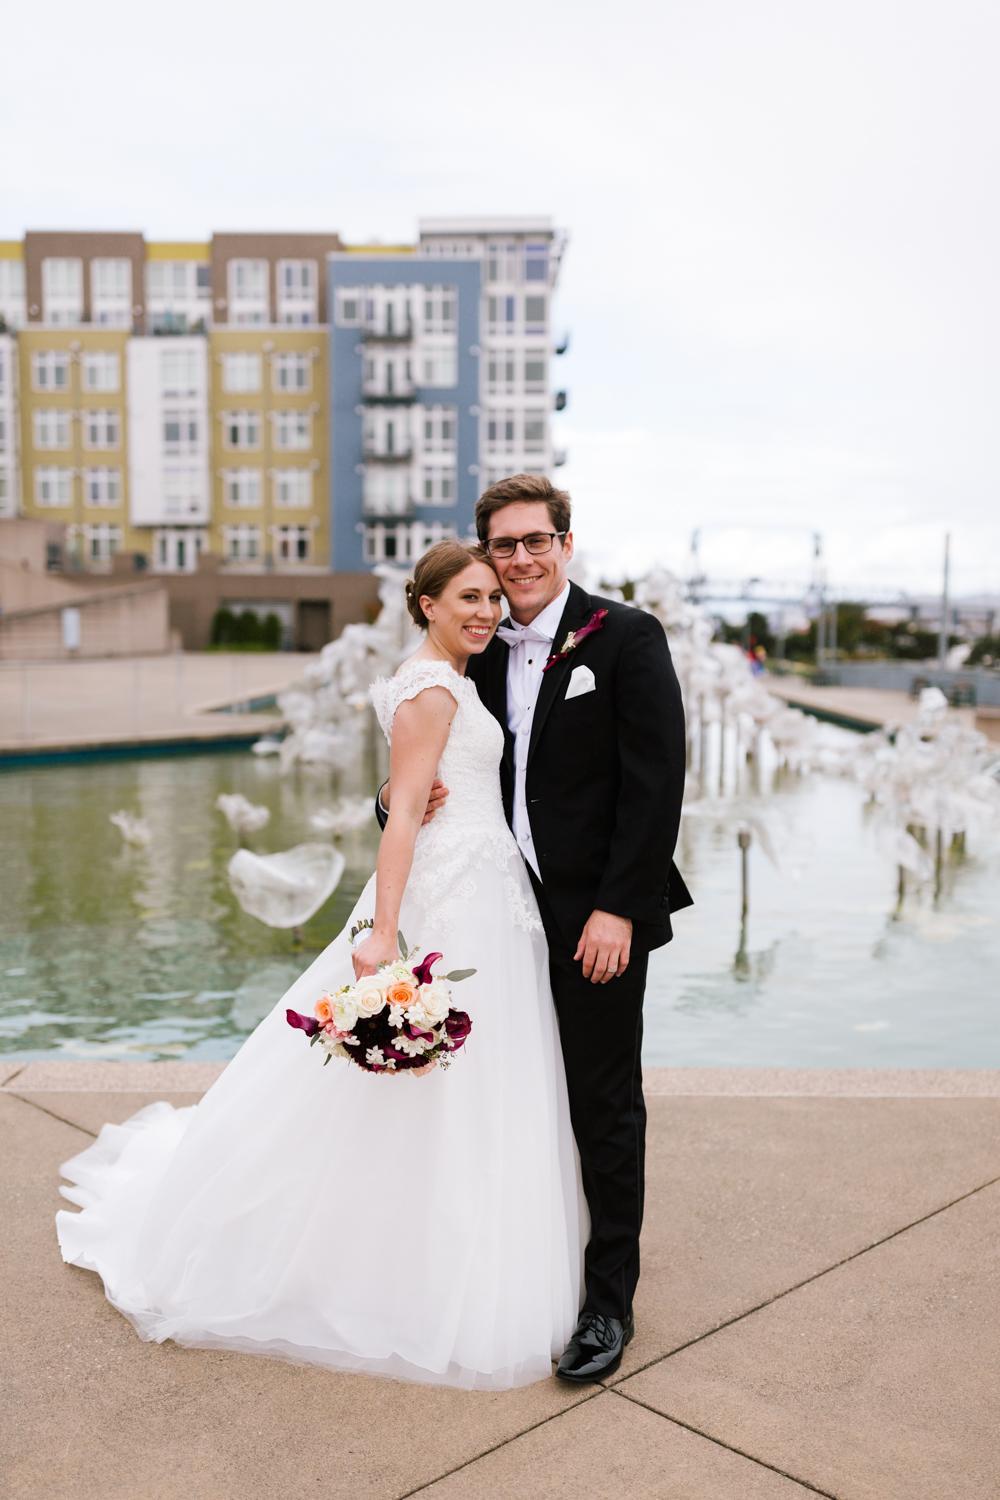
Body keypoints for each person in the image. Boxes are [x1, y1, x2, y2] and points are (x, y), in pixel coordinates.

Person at [56, 541, 585, 1391]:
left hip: (488, 890)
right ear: (426, 605)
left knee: (476, 1089)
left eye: (493, 598)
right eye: (469, 598)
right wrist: (382, 930)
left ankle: (454, 1245)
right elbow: (405, 813)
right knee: (428, 1085)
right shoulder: (432, 688)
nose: (487, 611)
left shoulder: (452, 679)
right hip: (449, 898)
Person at [378, 475, 689, 1381]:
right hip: (495, 914)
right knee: (508, 1100)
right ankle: (507, 1265)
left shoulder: (623, 637)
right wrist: (394, 801)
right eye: (502, 546)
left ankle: (606, 1306)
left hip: (596, 919)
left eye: (533, 541)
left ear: (565, 542)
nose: (518, 559)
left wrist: (620, 906)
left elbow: (656, 780)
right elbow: (448, 758)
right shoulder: (475, 647)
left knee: (602, 1103)